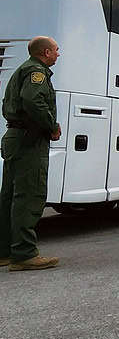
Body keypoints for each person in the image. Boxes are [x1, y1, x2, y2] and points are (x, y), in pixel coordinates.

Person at [1, 36, 61, 271]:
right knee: (29, 194)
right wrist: (51, 125)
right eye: (56, 50)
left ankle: (5, 251)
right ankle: (24, 254)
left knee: (9, 196)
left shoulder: (22, 70)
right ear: (45, 52)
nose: (58, 54)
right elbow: (32, 100)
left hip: (15, 138)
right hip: (29, 140)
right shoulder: (37, 72)